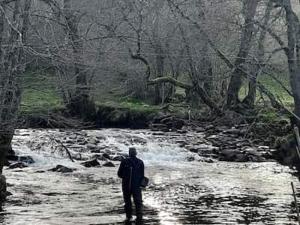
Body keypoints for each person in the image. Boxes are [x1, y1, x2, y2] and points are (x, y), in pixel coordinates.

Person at [118, 147, 144, 224]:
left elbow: (119, 174)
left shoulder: (124, 161)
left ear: (129, 153)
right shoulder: (140, 162)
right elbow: (142, 175)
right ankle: (139, 217)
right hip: (136, 186)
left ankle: (129, 217)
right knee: (138, 202)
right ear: (136, 153)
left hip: (126, 185)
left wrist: (126, 177)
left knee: (127, 202)